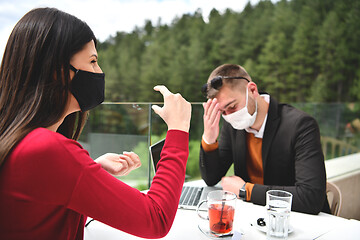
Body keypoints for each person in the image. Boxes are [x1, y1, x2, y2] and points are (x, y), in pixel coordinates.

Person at [0, 8, 191, 239]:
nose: (99, 72)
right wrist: (178, 129)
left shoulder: (20, 139)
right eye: (92, 61)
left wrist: (91, 171)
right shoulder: (47, 148)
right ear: (57, 71)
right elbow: (156, 218)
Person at [199, 64, 330, 215]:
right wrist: (209, 139)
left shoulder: (300, 125)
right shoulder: (233, 125)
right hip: (257, 217)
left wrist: (245, 190)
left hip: (300, 220)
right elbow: (211, 178)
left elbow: (310, 198)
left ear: (252, 90)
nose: (229, 116)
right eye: (222, 112)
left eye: (232, 106)